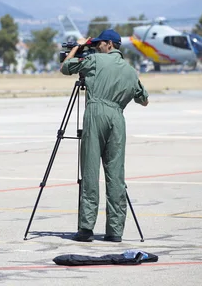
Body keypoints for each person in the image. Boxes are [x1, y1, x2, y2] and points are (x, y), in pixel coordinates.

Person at [60, 29, 149, 243]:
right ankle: (115, 231)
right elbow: (144, 99)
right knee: (116, 175)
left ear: (109, 44)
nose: (97, 46)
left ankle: (86, 228)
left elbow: (65, 68)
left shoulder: (95, 60)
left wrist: (77, 47)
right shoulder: (129, 70)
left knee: (91, 170)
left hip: (96, 112)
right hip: (118, 118)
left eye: (100, 43)